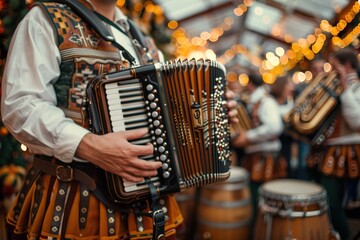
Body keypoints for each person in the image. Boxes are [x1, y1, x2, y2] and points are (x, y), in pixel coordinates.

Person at [1, 0, 239, 239]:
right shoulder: (47, 19)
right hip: (75, 198)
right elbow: (20, 106)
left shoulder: (140, 37)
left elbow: (166, 110)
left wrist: (212, 114)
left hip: (150, 206)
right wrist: (88, 145)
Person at [305, 47, 360, 240]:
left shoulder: (356, 87)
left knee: (332, 203)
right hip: (329, 151)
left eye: (334, 66)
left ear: (346, 65)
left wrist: (345, 87)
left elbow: (357, 122)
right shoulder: (337, 85)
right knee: (326, 200)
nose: (331, 70)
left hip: (346, 151)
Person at [231, 72, 284, 236]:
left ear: (250, 84)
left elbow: (275, 127)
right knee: (256, 201)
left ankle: (261, 234)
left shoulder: (265, 101)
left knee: (261, 201)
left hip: (264, 158)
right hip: (256, 157)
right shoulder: (256, 100)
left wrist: (248, 136)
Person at [269, 75, 295, 178]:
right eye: (288, 84)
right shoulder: (269, 102)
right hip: (275, 147)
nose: (292, 87)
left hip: (285, 144)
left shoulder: (288, 101)